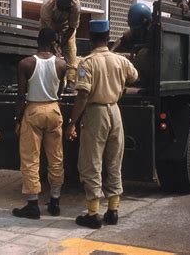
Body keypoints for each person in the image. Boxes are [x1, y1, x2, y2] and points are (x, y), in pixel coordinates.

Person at [65, 20, 138, 229]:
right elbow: (134, 76)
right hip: (115, 111)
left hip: (96, 113)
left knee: (91, 161)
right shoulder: (120, 61)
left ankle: (93, 213)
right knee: (114, 160)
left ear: (91, 39)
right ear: (108, 37)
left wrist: (72, 122)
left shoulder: (87, 63)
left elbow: (82, 96)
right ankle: (113, 210)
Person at [12, 28, 67, 219]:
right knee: (56, 157)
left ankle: (33, 204)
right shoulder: (61, 64)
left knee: (30, 158)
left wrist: (17, 120)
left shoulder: (25, 63)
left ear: (37, 42)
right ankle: (55, 201)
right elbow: (60, 92)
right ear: (54, 44)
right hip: (53, 109)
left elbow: (21, 95)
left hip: (33, 110)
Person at [40, 0, 81, 93]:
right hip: (49, 25)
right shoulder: (47, 6)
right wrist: (55, 47)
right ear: (58, 1)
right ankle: (50, 80)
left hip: (66, 26)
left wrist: (61, 45)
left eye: (70, 0)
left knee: (71, 52)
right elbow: (49, 32)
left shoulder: (75, 5)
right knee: (47, 51)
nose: (69, 4)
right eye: (66, 3)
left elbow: (72, 27)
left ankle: (71, 82)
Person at [110, 3, 154, 87]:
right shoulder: (135, 30)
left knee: (142, 53)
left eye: (137, 28)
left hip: (149, 66)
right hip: (137, 61)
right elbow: (121, 39)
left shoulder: (153, 31)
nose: (134, 30)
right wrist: (111, 51)